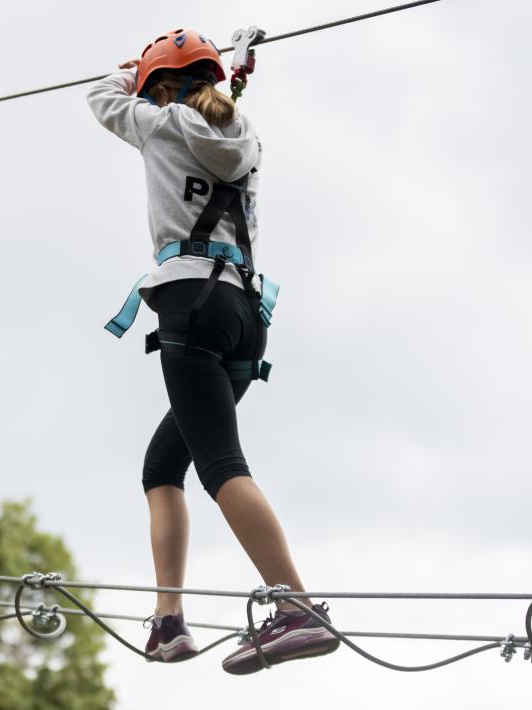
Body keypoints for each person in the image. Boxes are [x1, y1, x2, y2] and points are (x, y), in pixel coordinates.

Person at [86, 28, 339, 674]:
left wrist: (130, 75)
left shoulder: (157, 122)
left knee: (221, 464)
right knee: (162, 466)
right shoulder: (247, 135)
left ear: (161, 89)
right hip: (245, 315)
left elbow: (99, 98)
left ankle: (297, 609)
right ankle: (169, 622)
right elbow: (210, 111)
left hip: (192, 304)